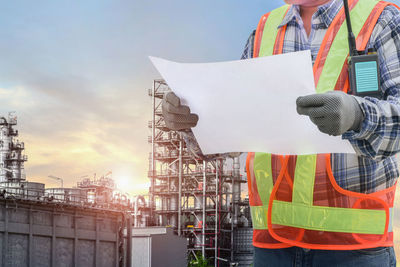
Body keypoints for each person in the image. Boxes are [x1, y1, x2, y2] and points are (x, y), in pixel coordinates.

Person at [162, 0, 400, 266]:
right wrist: (192, 124)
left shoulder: (379, 20)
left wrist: (358, 115)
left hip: (354, 249)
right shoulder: (264, 31)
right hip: (272, 247)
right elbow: (237, 127)